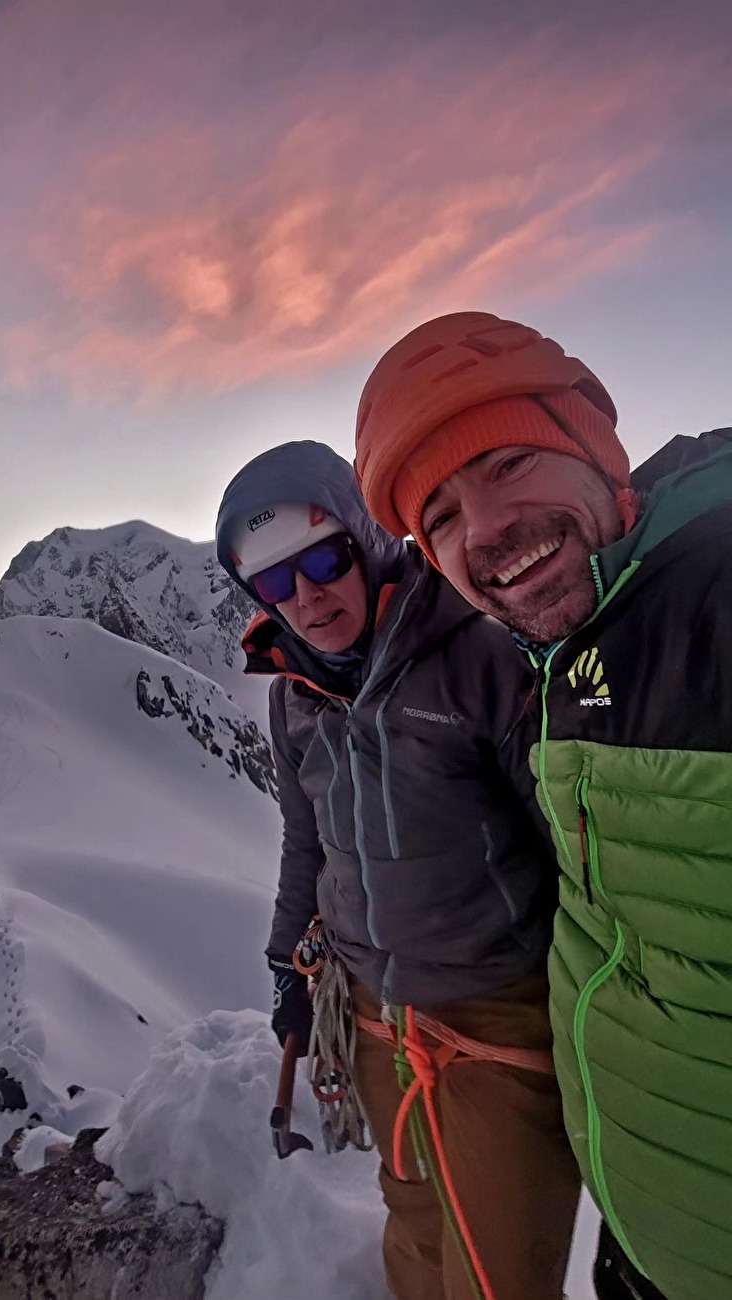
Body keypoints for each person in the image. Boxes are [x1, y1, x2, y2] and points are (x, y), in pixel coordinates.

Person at [354, 310, 732, 1300]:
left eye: (507, 463)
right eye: (437, 515)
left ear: (592, 450)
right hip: (649, 1229)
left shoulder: (706, 597)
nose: (482, 530)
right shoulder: (570, 652)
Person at [214, 440, 581, 1300]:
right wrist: (286, 968)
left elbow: (562, 834)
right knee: (415, 1233)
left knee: (502, 1272)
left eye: (323, 559)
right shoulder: (293, 694)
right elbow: (308, 842)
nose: (304, 596)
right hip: (377, 1013)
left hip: (500, 1015)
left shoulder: (473, 648)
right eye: (274, 581)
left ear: (366, 539)